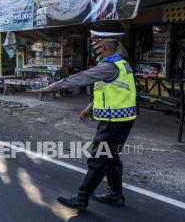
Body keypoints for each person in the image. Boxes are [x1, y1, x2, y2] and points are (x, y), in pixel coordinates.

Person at [33, 30, 136, 210]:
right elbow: (109, 89)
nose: (93, 47)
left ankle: (81, 198)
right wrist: (91, 106)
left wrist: (50, 87)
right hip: (120, 118)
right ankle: (115, 194)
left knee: (98, 158)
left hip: (115, 121)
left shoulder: (109, 66)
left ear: (102, 47)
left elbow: (81, 78)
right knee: (110, 157)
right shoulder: (119, 63)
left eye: (95, 44)